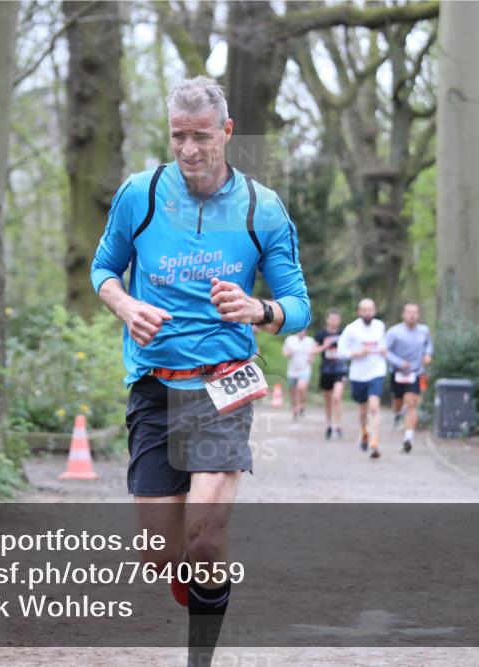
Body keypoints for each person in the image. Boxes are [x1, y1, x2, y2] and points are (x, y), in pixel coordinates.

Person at [90, 75, 310, 667]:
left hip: (225, 381)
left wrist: (259, 310)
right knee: (159, 554)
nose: (189, 150)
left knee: (206, 538)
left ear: (227, 132)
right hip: (156, 385)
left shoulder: (262, 207)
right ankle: (194, 580)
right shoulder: (140, 193)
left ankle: (199, 660)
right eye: (178, 136)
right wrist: (126, 305)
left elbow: (298, 305)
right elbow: (103, 269)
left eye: (202, 136)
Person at [336, 298, 386, 459]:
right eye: (364, 310)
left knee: (374, 407)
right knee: (363, 409)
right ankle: (364, 431)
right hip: (358, 374)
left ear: (375, 310)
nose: (367, 313)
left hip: (377, 371)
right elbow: (340, 351)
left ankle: (374, 441)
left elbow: (383, 345)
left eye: (370, 309)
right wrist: (356, 353)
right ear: (359, 312)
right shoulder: (351, 329)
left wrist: (383, 350)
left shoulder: (380, 326)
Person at [384, 303, 434, 453]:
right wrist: (399, 362)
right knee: (398, 402)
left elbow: (428, 346)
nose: (412, 315)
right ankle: (398, 415)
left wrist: (427, 355)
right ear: (403, 314)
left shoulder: (424, 331)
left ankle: (408, 436)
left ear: (418, 315)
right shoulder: (394, 332)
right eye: (409, 312)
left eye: (415, 312)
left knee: (411, 403)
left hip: (416, 372)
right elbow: (384, 351)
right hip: (398, 372)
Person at [314, 309, 348, 439]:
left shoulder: (344, 334)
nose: (334, 321)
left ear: (339, 320)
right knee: (328, 399)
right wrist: (324, 346)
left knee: (337, 397)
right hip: (326, 369)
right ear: (327, 319)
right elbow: (312, 350)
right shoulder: (321, 334)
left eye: (336, 318)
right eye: (332, 318)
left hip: (340, 368)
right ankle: (329, 424)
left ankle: (337, 425)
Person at [282, 329, 315, 420]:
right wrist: (289, 353)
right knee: (293, 391)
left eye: (304, 331)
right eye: (300, 331)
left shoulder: (310, 341)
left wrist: (311, 358)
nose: (302, 332)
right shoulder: (290, 340)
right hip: (292, 370)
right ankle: (295, 407)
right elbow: (285, 353)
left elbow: (313, 352)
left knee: (301, 388)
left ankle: (301, 405)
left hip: (305, 369)